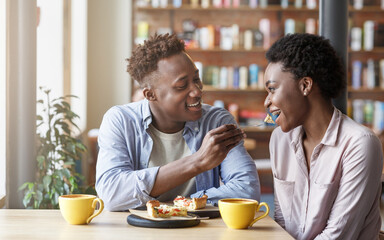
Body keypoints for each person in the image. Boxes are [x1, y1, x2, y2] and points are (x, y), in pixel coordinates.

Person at [95, 33, 260, 211]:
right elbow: (111, 194)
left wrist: (178, 206)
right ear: (150, 95)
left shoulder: (217, 121)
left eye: (196, 79)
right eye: (182, 86)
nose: (197, 92)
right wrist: (197, 162)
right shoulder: (120, 121)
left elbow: (247, 191)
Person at [263, 33, 383, 239]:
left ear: (305, 85)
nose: (267, 102)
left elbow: (338, 235)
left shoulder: (360, 144)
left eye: (272, 89)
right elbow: (282, 224)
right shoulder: (280, 140)